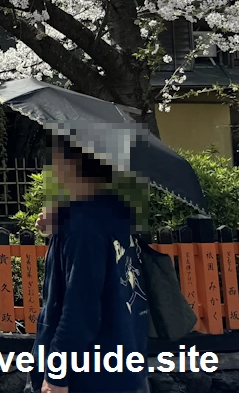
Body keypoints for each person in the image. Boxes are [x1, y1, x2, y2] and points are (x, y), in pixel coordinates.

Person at [32, 139, 149, 393]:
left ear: (73, 163)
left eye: (55, 157)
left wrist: (56, 376)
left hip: (88, 375)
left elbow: (81, 308)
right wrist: (57, 227)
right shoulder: (117, 212)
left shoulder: (82, 227)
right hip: (124, 360)